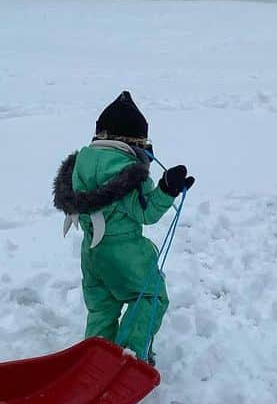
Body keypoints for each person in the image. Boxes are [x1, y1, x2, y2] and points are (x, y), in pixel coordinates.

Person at [52, 91, 194, 364]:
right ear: (135, 140)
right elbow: (146, 213)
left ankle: (95, 360)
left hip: (91, 253)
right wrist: (167, 190)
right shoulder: (129, 169)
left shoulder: (79, 165)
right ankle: (129, 357)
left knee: (101, 309)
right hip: (124, 252)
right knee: (151, 297)